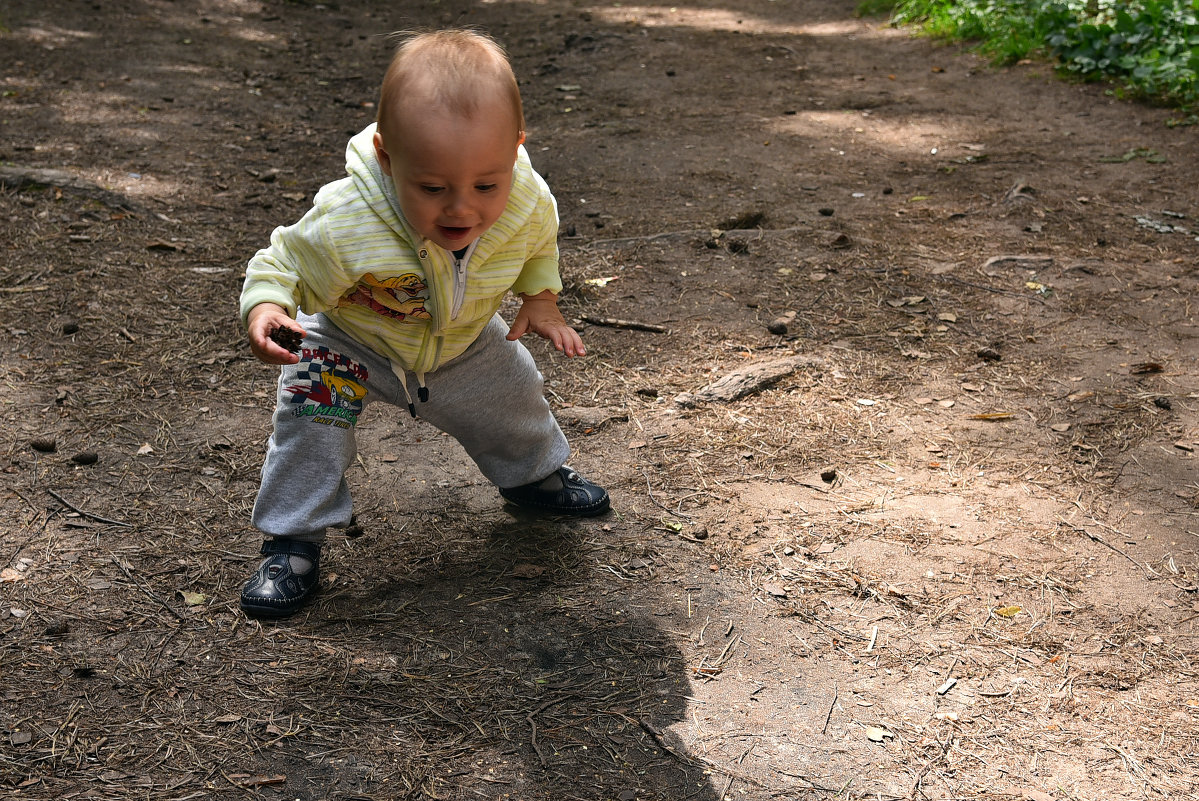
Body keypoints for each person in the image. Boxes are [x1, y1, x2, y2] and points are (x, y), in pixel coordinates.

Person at [237, 29, 609, 618]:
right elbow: (281, 262)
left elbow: (538, 244)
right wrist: (267, 308)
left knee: (514, 391)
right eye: (432, 188)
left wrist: (541, 301)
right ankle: (293, 540)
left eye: (486, 185)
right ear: (388, 158)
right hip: (347, 340)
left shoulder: (526, 199)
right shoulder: (348, 218)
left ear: (514, 150)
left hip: (461, 340)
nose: (462, 207)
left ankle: (533, 475)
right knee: (311, 417)